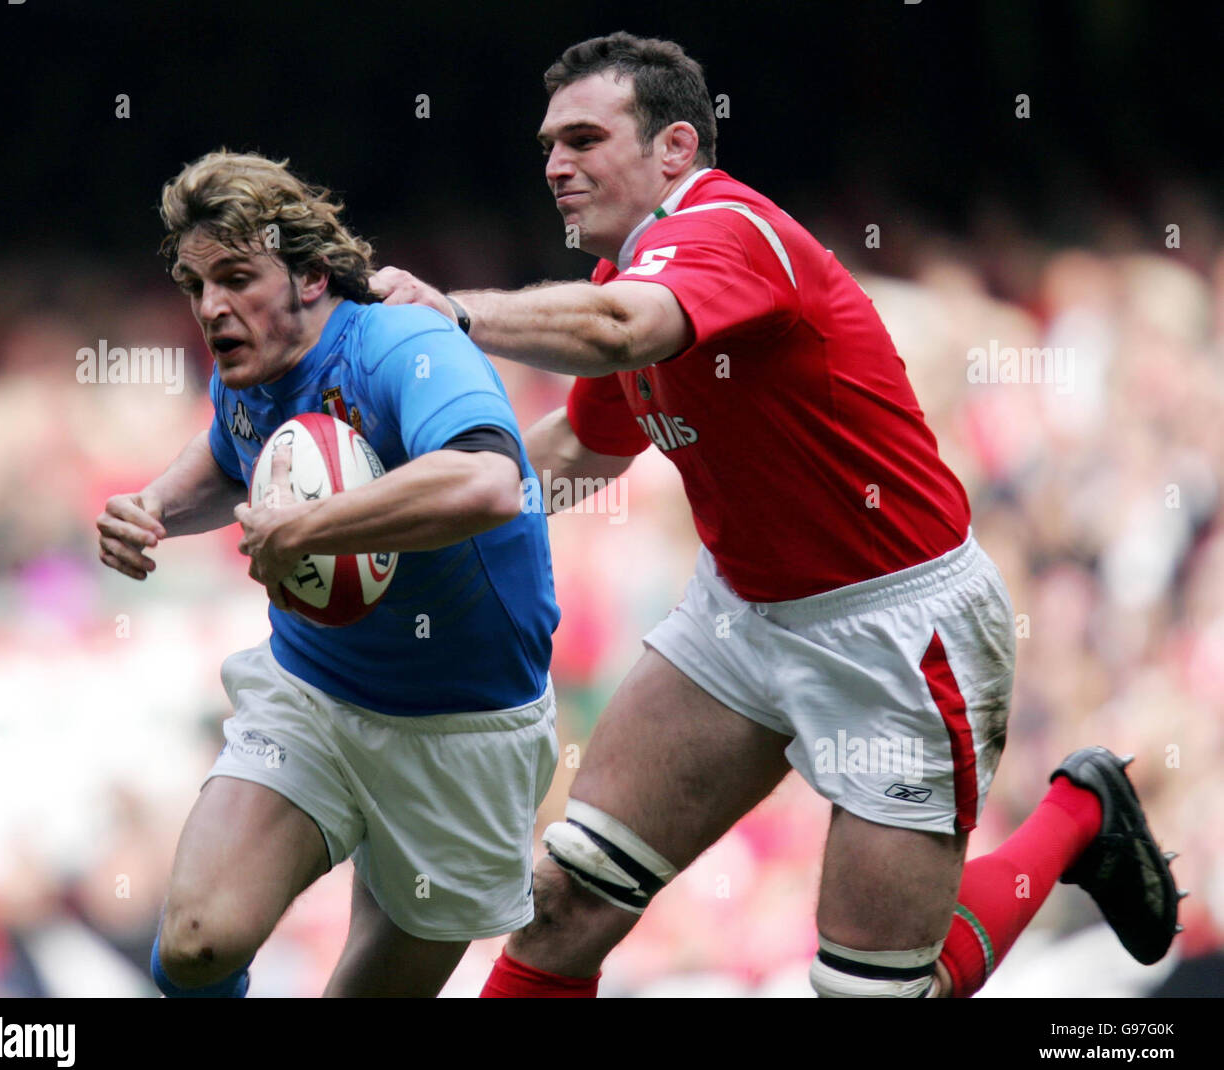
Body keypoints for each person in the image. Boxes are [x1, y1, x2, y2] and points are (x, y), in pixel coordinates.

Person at [371, 32, 1184, 998]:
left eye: (584, 138)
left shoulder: (725, 233)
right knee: (563, 903)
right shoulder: (624, 281)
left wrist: (448, 312)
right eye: (549, 143)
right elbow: (576, 452)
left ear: (676, 147)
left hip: (895, 628)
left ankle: (1077, 814)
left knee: (874, 993)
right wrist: (391, 521)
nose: (555, 164)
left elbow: (626, 328)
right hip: (740, 614)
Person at [95, 149, 560, 997]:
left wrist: (307, 528)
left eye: (236, 276)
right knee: (197, 944)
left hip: (464, 731)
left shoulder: (399, 343)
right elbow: (233, 450)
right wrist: (155, 505)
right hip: (315, 694)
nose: (212, 307)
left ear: (312, 277)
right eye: (198, 286)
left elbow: (490, 480)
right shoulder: (248, 366)